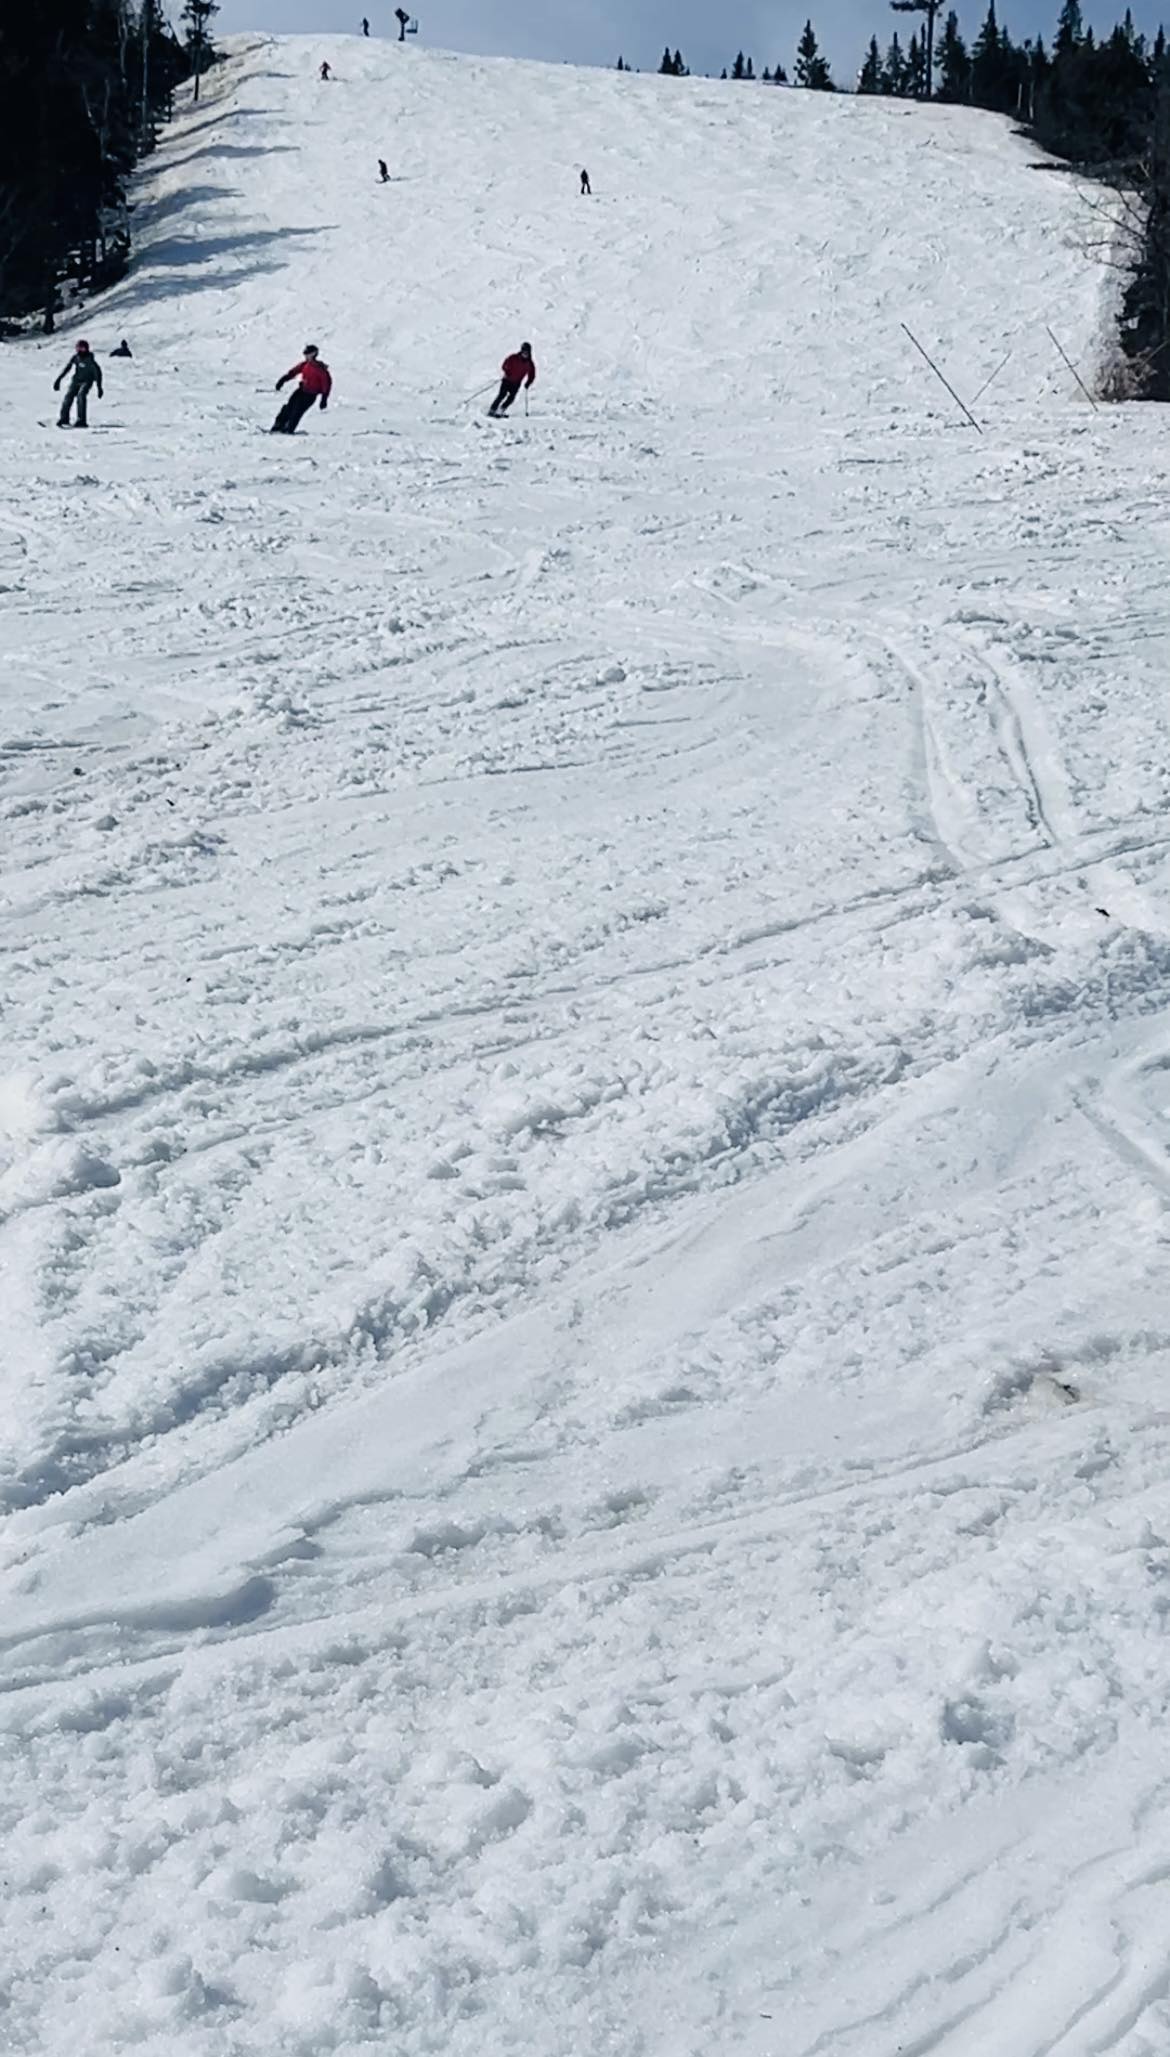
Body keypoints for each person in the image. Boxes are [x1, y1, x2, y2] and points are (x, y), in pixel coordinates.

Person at [271, 345, 332, 433]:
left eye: (308, 354)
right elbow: (293, 372)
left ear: (314, 354)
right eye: (305, 354)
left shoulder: (320, 370)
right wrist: (283, 380)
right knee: (289, 407)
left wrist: (324, 399)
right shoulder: (305, 365)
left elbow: (326, 385)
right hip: (301, 391)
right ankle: (278, 426)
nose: (306, 356)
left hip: (310, 395)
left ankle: (288, 429)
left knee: (297, 411)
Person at [53, 340, 103, 428]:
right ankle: (64, 418)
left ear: (86, 349)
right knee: (68, 397)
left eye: (82, 348)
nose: (80, 350)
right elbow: (67, 368)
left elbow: (98, 373)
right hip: (76, 380)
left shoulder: (90, 360)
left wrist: (99, 387)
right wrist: (58, 379)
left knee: (81, 396)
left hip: (87, 381)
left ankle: (81, 420)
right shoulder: (76, 358)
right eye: (78, 348)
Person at [488, 342, 536, 417]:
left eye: (527, 353)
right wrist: (507, 370)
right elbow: (504, 365)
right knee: (502, 395)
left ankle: (500, 410)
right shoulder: (513, 357)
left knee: (511, 398)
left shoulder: (530, 364)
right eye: (524, 352)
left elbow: (532, 375)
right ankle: (492, 409)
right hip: (507, 380)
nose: (525, 354)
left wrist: (528, 382)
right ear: (521, 351)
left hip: (516, 383)